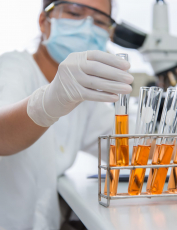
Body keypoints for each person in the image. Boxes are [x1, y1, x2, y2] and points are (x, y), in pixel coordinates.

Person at [0, 0, 133, 229]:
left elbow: (123, 147)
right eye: (74, 13)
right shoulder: (12, 67)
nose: (87, 26)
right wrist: (51, 100)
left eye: (100, 21)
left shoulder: (84, 96)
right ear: (44, 21)